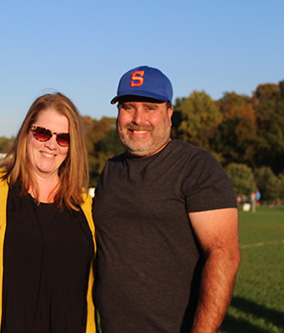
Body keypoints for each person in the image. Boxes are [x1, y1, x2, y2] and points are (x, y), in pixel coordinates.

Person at [93, 65, 241, 332]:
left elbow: (224, 256)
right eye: (128, 107)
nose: (138, 118)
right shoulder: (110, 170)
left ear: (169, 113)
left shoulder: (197, 167)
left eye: (151, 108)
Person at [0, 92, 96, 332]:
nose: (51, 144)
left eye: (63, 138)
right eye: (42, 133)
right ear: (26, 133)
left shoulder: (84, 204)